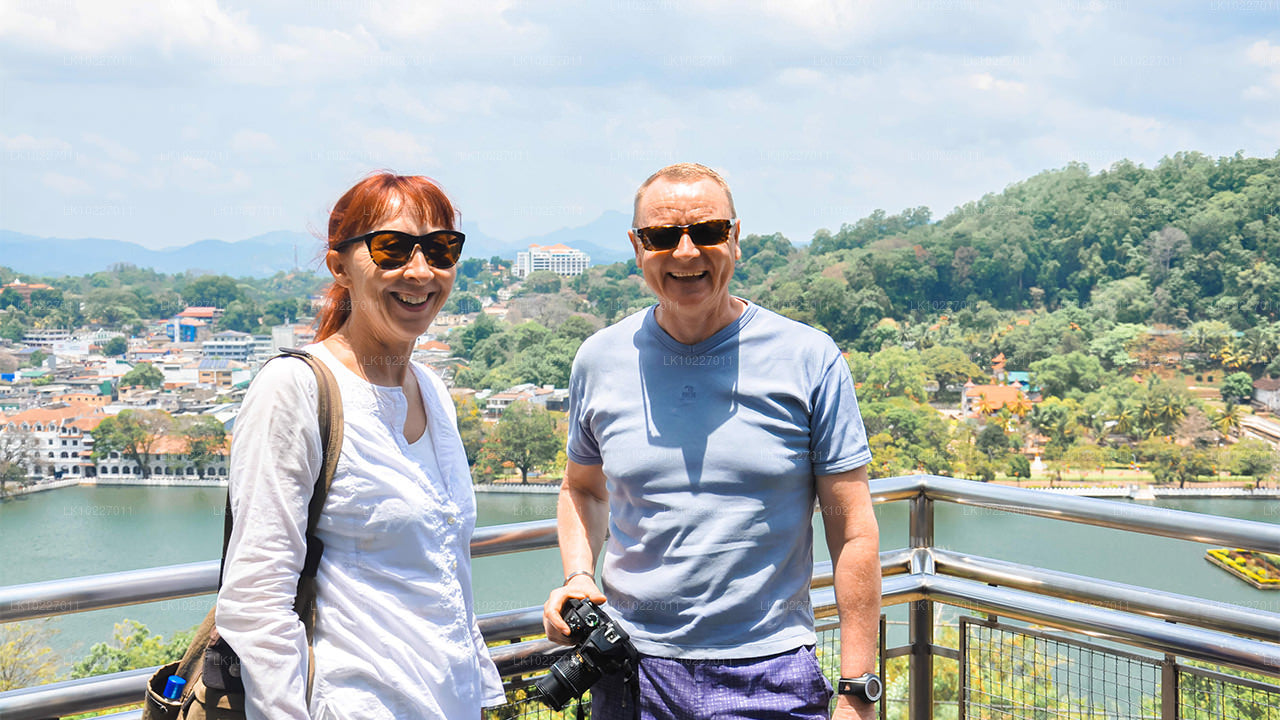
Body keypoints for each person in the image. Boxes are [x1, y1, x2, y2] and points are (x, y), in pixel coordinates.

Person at [542, 163, 881, 720]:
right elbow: (584, 489)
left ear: (735, 238)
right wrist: (578, 574)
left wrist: (857, 688)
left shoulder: (808, 357)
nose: (685, 253)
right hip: (630, 670)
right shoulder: (600, 358)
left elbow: (853, 530)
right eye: (661, 236)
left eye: (706, 232)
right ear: (636, 247)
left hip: (769, 671)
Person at [217, 172, 504, 719]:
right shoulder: (294, 389)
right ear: (340, 266)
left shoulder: (433, 389)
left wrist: (483, 694)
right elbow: (256, 597)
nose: (420, 271)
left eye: (441, 249)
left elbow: (445, 571)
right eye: (391, 248)